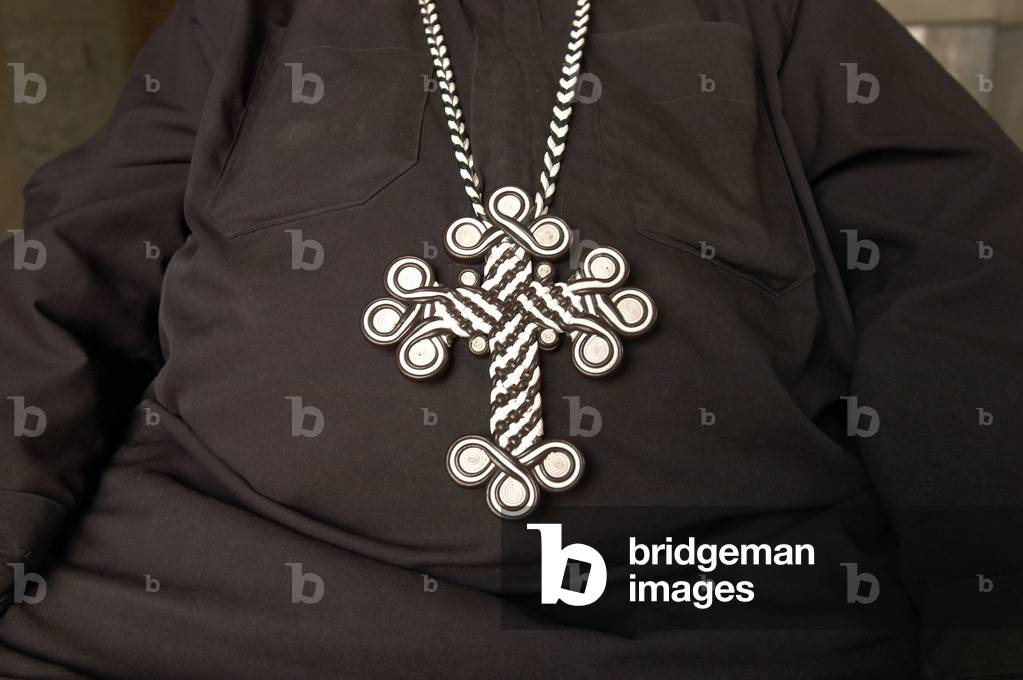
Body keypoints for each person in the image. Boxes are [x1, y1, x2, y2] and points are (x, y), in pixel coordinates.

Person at [1, 0, 1020, 677]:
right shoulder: (254, 16)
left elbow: (969, 282)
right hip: (190, 618)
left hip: (708, 614)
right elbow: (67, 271)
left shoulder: (788, 16)